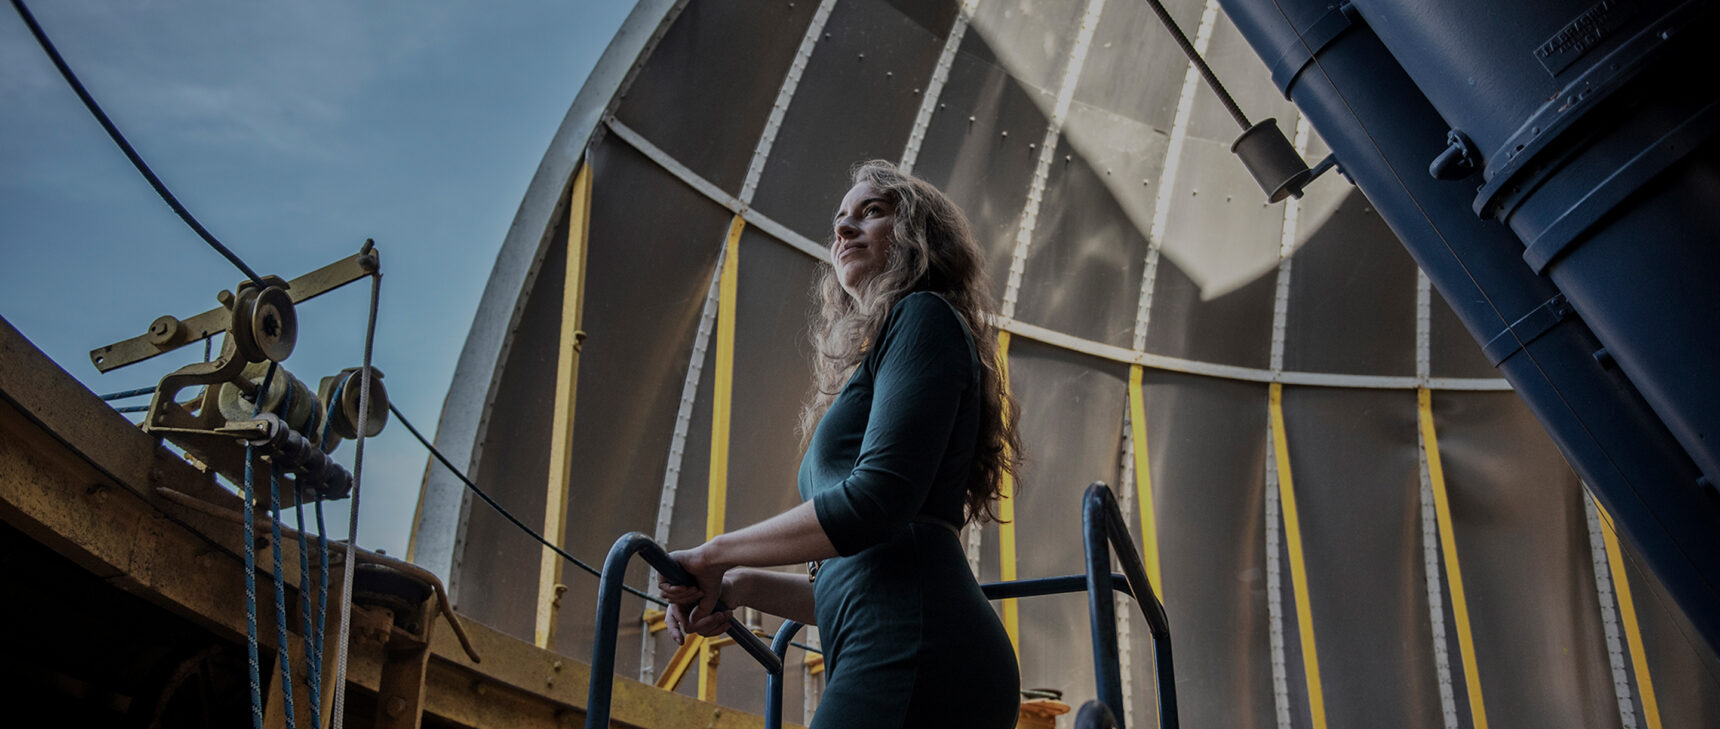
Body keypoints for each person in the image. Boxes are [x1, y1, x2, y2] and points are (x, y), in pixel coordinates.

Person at [659, 160, 1023, 728]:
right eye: (840, 220)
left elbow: (874, 503)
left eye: (871, 212)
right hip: (897, 642)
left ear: (917, 237)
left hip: (916, 650)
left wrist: (714, 553)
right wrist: (739, 584)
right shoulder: (890, 345)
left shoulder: (922, 315)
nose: (844, 229)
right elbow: (852, 588)